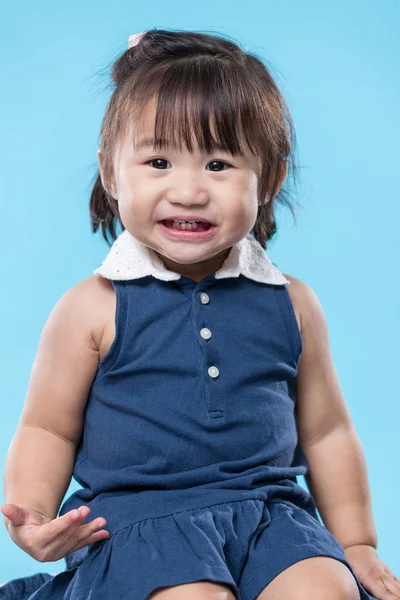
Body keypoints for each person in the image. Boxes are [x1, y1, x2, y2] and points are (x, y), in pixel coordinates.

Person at [0, 28, 398, 600]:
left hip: (269, 518)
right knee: (193, 596)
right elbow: (47, 426)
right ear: (112, 174)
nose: (187, 191)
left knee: (323, 589)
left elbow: (329, 433)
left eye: (218, 164)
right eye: (158, 161)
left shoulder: (291, 302)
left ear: (270, 179)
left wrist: (357, 542)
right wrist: (34, 512)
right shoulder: (93, 305)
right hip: (141, 522)